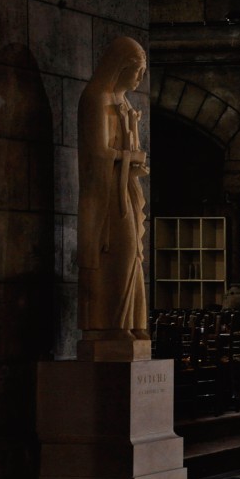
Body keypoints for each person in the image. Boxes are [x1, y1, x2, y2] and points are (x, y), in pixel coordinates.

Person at [77, 36, 150, 340]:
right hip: (106, 196)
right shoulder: (96, 98)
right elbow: (96, 153)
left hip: (125, 190)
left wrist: (133, 158)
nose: (139, 78)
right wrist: (130, 156)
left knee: (134, 255)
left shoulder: (124, 102)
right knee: (119, 252)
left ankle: (132, 323)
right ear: (120, 67)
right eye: (136, 71)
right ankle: (108, 327)